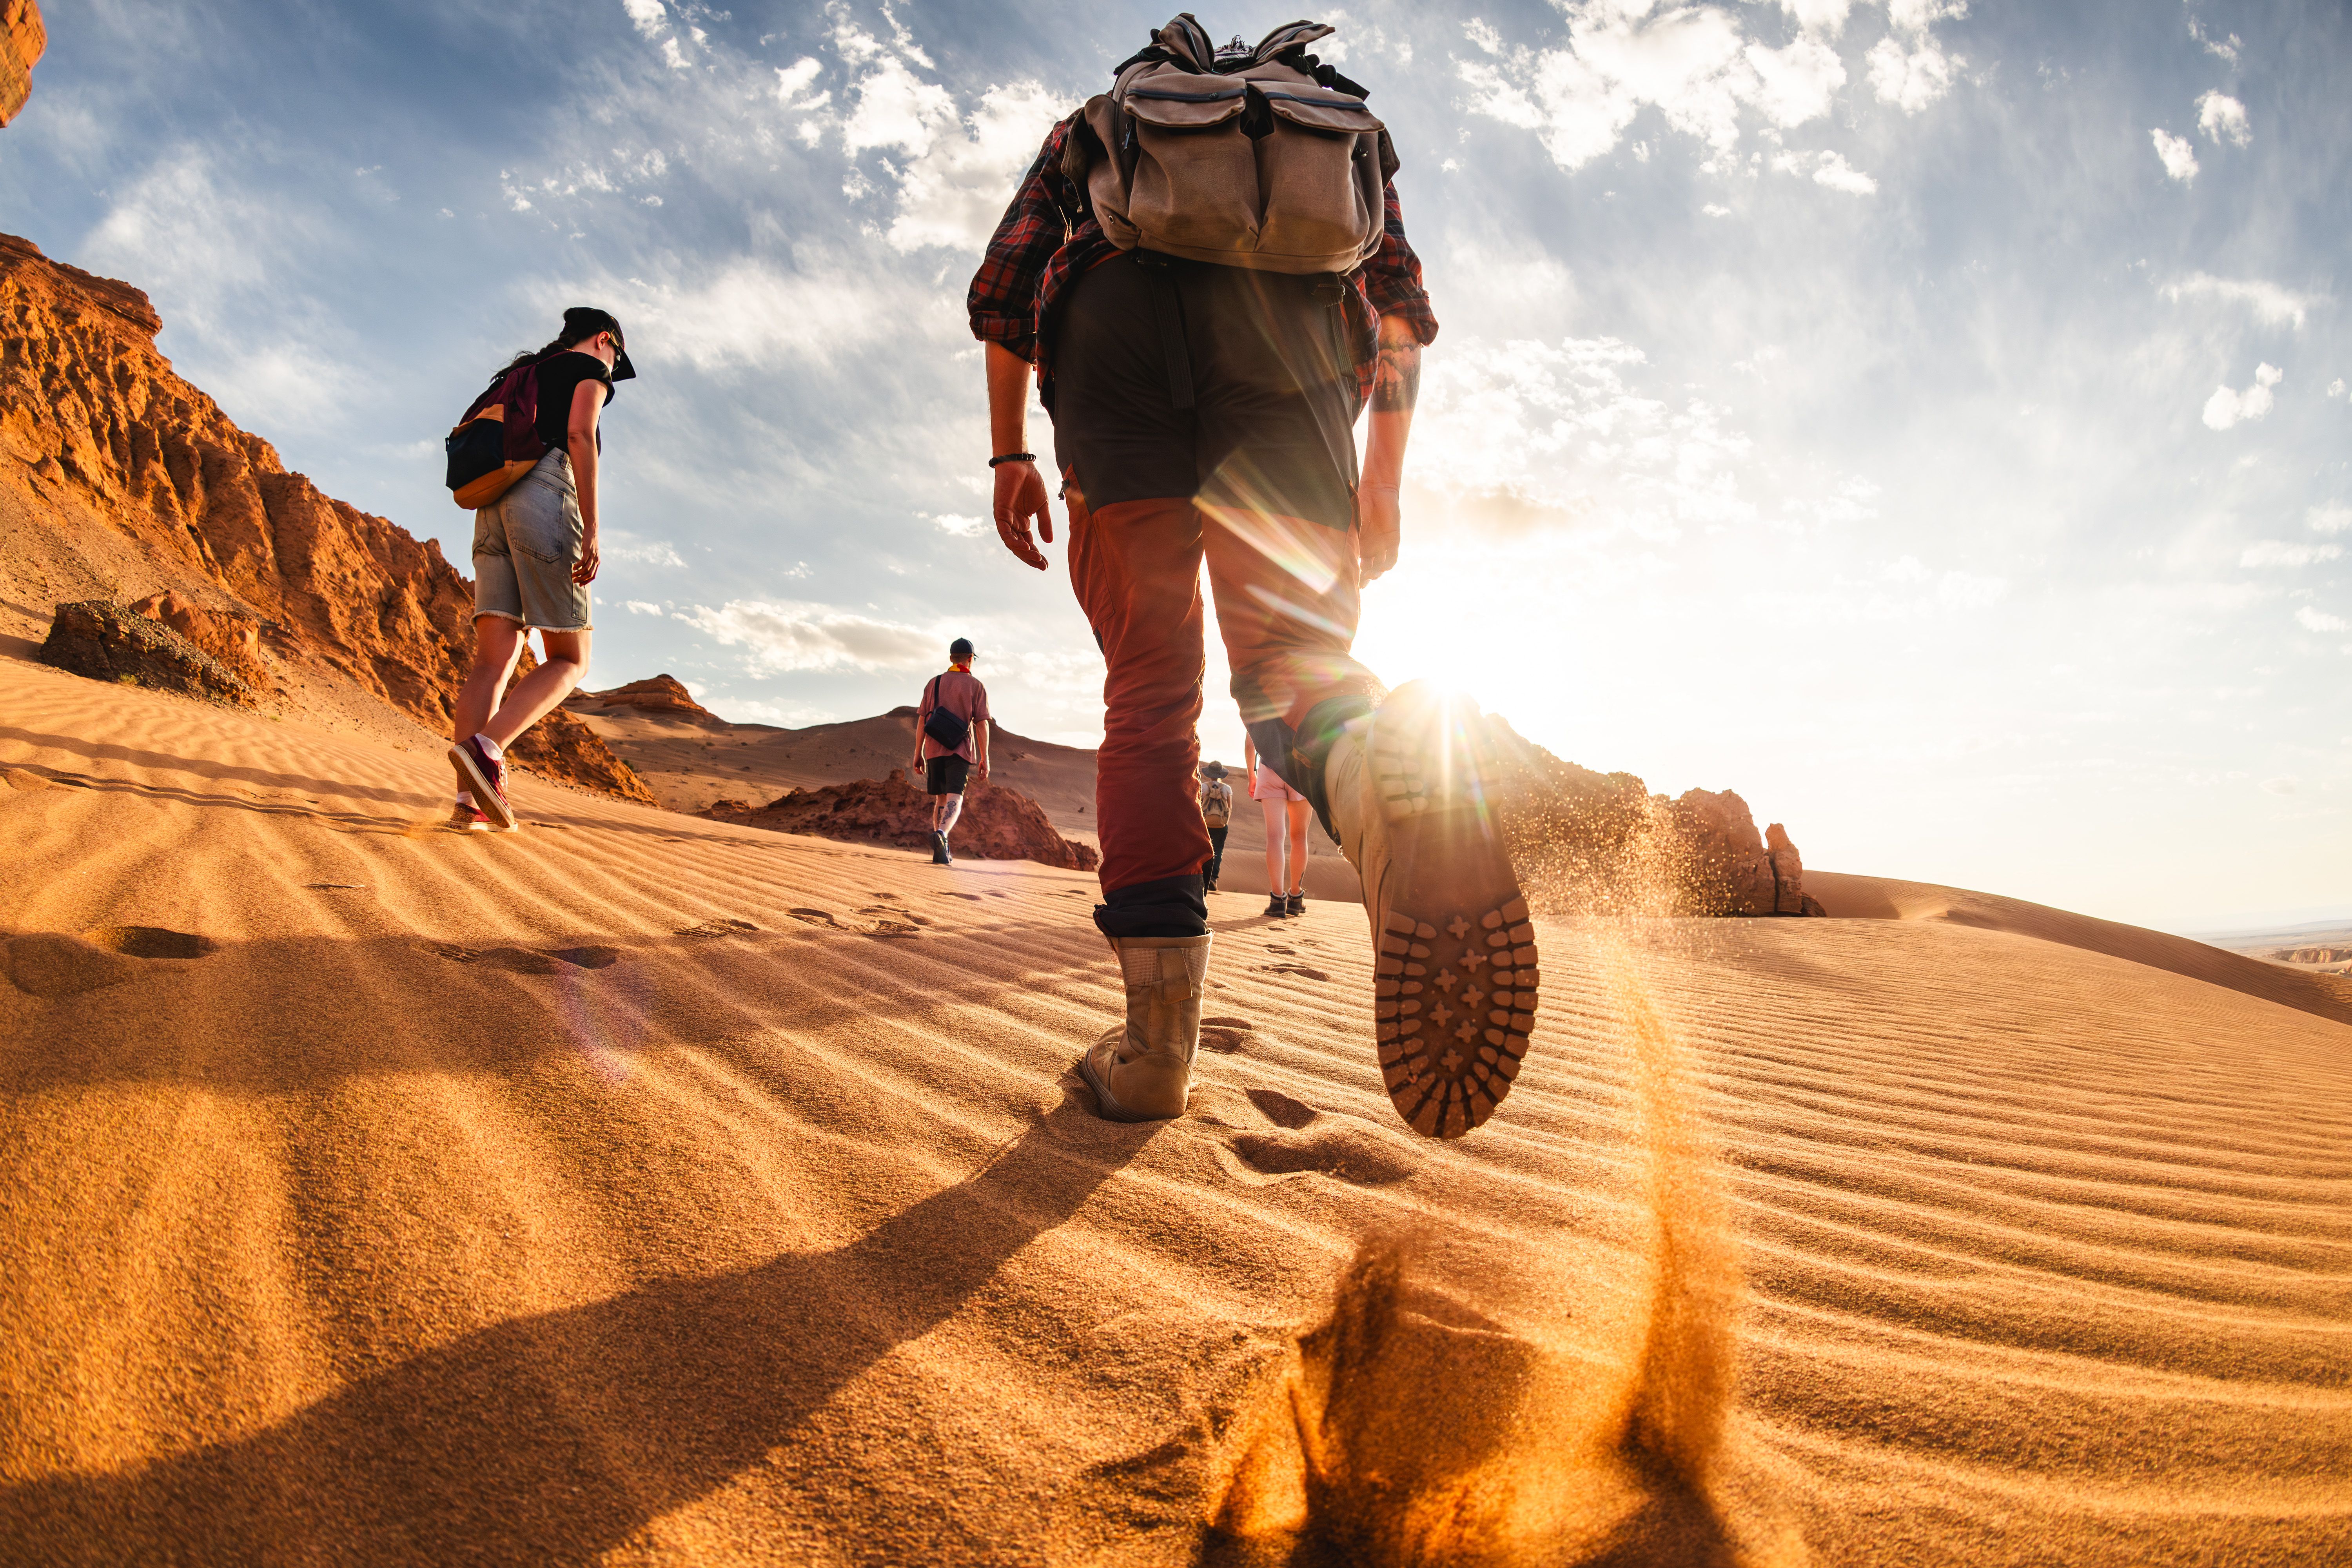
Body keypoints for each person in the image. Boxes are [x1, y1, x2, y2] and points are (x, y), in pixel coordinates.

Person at [968, 17, 1535, 1140]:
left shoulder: (1098, 126)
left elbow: (1005, 294)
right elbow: (1404, 320)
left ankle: (1156, 1054)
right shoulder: (1344, 134)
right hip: (1295, 358)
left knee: (1150, 697)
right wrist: (1383, 484)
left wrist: (1010, 455)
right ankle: (1378, 786)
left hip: (1113, 350)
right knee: (1293, 665)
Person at [446, 307, 635, 831]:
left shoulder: (518, 377)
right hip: (547, 497)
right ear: (604, 341)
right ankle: (489, 749)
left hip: (493, 504)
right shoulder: (590, 371)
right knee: (571, 658)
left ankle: (470, 804)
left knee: (492, 663)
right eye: (615, 357)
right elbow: (579, 436)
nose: (612, 367)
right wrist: (592, 527)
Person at [911, 637, 991, 865]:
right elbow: (982, 723)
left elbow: (922, 721)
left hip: (934, 749)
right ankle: (942, 835)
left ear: (950, 659)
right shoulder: (976, 686)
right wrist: (985, 758)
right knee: (956, 797)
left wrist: (918, 753)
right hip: (960, 749)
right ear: (970, 660)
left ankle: (942, 848)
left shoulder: (934, 683)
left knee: (941, 798)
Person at [1243, 734, 1310, 919]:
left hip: (1269, 769)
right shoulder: (1301, 703)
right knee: (1300, 836)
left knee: (1275, 836)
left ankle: (1278, 902)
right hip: (1300, 771)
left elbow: (1251, 743)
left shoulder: (1261, 704)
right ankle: (1296, 898)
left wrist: (1252, 775)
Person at [1198, 761, 1233, 892]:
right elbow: (1230, 807)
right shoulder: (1227, 788)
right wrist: (1225, 823)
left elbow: (1199, 804)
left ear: (1209, 774)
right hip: (1221, 825)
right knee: (1218, 851)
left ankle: (1202, 878)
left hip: (1205, 824)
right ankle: (1213, 879)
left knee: (1203, 850)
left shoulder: (1204, 787)